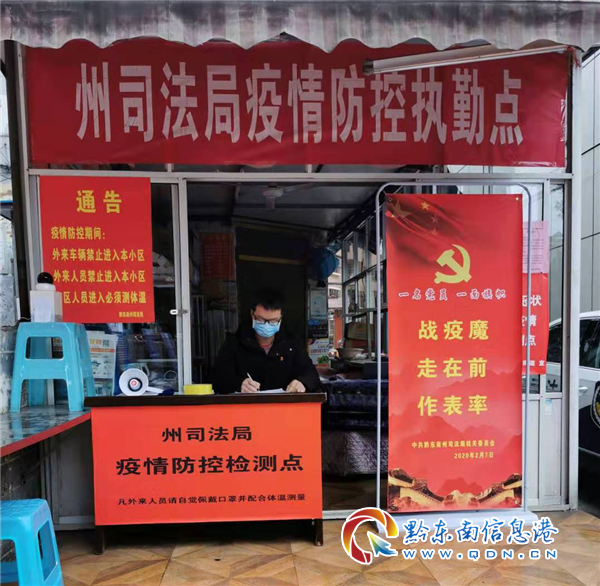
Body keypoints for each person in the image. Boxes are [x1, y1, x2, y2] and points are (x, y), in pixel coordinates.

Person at [212, 287, 321, 394]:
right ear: (252, 314)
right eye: (261, 320)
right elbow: (217, 378)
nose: (266, 325)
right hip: (246, 405)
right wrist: (239, 384)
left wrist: (302, 382)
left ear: (281, 317)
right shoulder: (235, 343)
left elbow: (311, 374)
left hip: (282, 404)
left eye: (273, 321)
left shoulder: (291, 344)